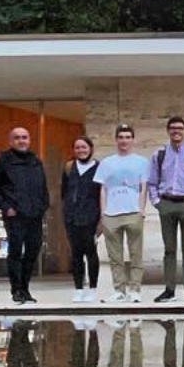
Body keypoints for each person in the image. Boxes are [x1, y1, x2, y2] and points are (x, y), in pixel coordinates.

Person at [0, 127, 48, 304]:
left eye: (25, 137)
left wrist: (43, 206)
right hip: (15, 215)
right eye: (17, 138)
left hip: (34, 215)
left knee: (33, 250)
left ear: (29, 140)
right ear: (11, 141)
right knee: (15, 252)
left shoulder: (36, 161)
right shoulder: (3, 161)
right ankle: (16, 290)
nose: (22, 141)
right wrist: (6, 207)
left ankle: (25, 288)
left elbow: (43, 187)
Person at [148, 116, 184, 303]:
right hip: (166, 204)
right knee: (169, 249)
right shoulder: (159, 154)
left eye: (179, 128)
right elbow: (152, 181)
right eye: (172, 128)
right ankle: (169, 290)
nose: (176, 131)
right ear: (168, 131)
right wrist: (156, 201)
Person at [98, 125, 149, 303]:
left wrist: (142, 210)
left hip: (133, 211)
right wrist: (103, 212)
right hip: (111, 213)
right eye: (121, 137)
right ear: (116, 139)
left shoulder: (141, 162)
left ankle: (135, 289)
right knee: (115, 256)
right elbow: (102, 188)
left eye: (127, 137)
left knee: (136, 253)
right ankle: (119, 290)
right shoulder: (106, 162)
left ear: (132, 139)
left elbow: (144, 187)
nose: (124, 140)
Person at [61, 137, 101, 303]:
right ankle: (78, 288)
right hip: (72, 216)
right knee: (76, 254)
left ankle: (92, 288)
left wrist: (101, 220)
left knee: (91, 252)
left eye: (84, 147)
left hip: (91, 216)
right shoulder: (69, 167)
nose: (81, 150)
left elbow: (102, 193)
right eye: (77, 147)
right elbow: (64, 192)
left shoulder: (99, 168)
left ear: (90, 148)